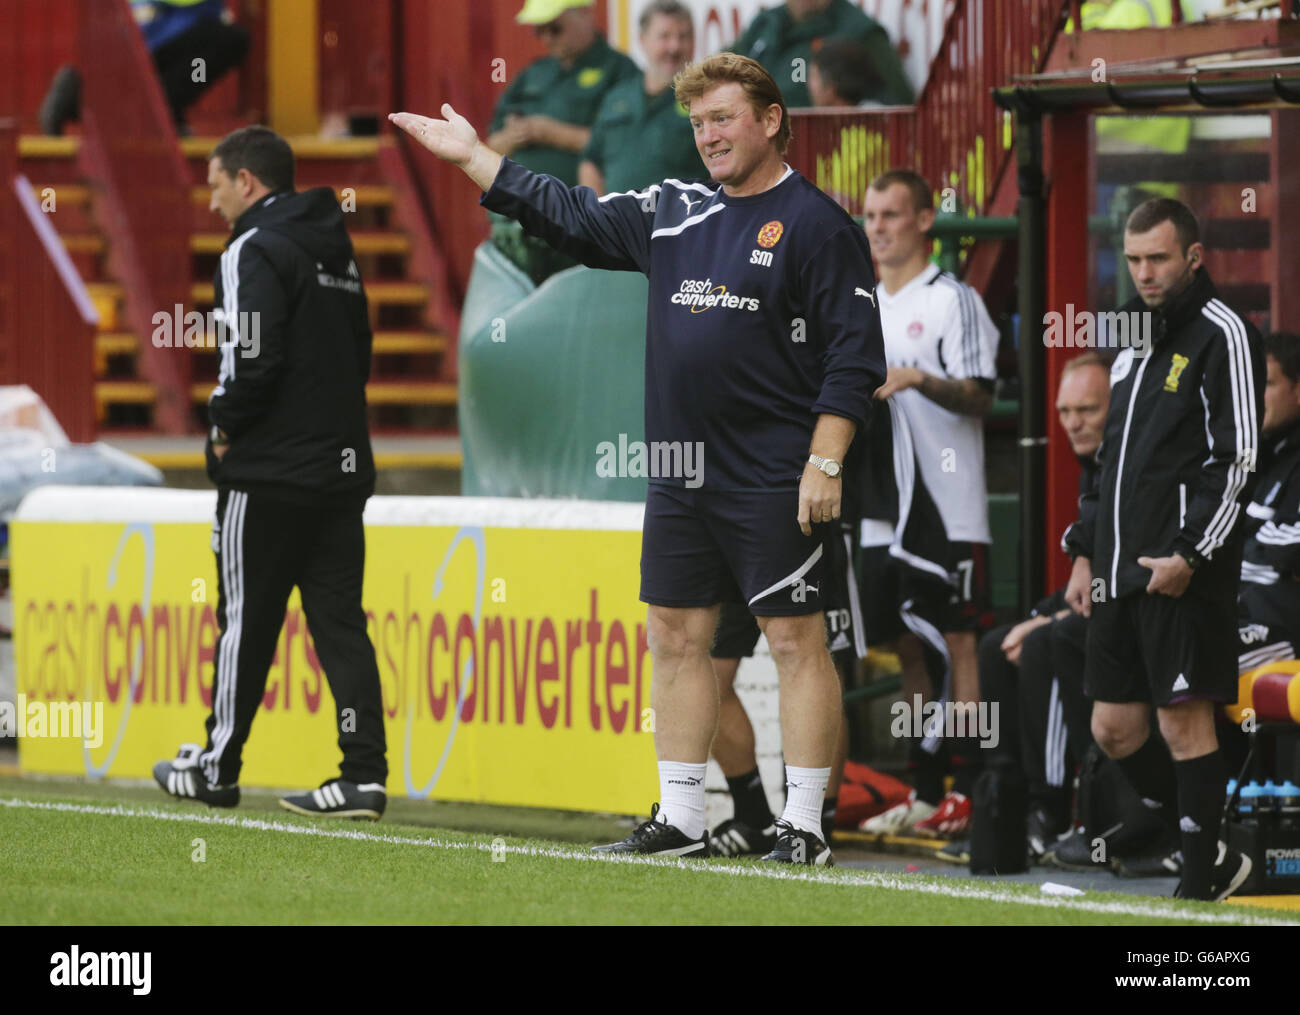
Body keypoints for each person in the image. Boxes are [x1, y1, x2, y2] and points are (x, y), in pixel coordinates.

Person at [391, 51, 886, 866]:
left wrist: (825, 462)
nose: (708, 137)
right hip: (682, 473)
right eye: (697, 124)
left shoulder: (819, 225)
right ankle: (684, 817)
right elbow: (572, 215)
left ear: (771, 120)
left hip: (776, 473)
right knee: (674, 636)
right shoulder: (673, 210)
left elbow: (854, 358)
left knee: (797, 642)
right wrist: (479, 159)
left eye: (723, 118)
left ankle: (803, 825)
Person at [152, 126, 389, 821]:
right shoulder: (335, 249)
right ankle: (363, 776)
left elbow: (250, 358)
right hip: (340, 473)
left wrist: (222, 426)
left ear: (247, 182)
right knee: (342, 626)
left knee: (245, 625)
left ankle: (217, 767)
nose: (212, 198)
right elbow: (359, 356)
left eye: (217, 182)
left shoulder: (252, 248)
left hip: (268, 474)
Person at [1064, 197, 1263, 902]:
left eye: (1158, 259)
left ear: (1193, 257)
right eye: (1135, 258)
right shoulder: (1131, 341)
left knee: (1184, 727)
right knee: (1114, 728)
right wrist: (1085, 551)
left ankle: (1200, 877)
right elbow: (1108, 460)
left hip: (1182, 574)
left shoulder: (1226, 334)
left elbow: (1237, 459)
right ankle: (1210, 844)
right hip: (1119, 571)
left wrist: (1190, 555)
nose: (1144, 273)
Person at [855, 169, 999, 839]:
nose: (879, 227)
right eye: (870, 215)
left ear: (923, 221)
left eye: (891, 214)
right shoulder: (860, 304)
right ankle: (921, 784)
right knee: (908, 646)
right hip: (885, 510)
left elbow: (981, 396)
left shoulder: (952, 300)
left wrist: (917, 379)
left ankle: (970, 788)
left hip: (951, 507)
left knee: (962, 644)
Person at [40, 0, 251, 136]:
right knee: (229, 43)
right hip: (155, 30)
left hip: (154, 32)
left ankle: (78, 98)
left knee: (198, 67)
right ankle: (165, 108)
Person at [487, 0, 639, 185]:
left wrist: (549, 132)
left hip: (578, 204)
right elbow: (492, 143)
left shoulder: (620, 71)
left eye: (554, 28)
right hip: (518, 204)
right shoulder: (533, 72)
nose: (546, 39)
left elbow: (628, 144)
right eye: (539, 30)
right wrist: (514, 136)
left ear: (585, 13)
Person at [578, 1, 700, 197]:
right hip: (615, 224)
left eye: (684, 36)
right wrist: (597, 215)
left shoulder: (704, 99)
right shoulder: (617, 97)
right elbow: (591, 161)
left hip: (678, 224)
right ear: (642, 40)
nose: (674, 47)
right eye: (665, 36)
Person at [1236, 332, 1300, 672]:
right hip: (1241, 610)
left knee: (1187, 664)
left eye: (1267, 384)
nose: (1253, 397)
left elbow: (1291, 549)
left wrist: (1247, 537)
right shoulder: (1257, 455)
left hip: (1284, 627)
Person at [730, 0, 912, 109]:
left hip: (823, 150)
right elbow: (718, 73)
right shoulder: (766, 24)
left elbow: (900, 108)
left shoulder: (860, 32)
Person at [807, 37, 889, 108]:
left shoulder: (877, 119)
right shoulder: (879, 117)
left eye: (814, 76)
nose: (808, 83)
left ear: (830, 88)